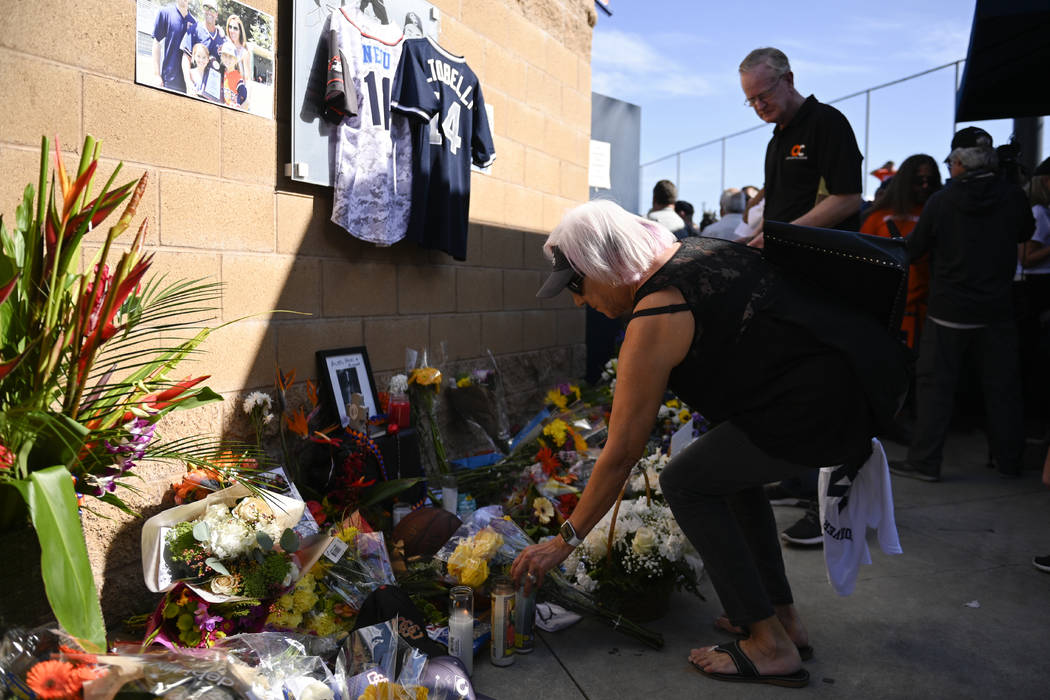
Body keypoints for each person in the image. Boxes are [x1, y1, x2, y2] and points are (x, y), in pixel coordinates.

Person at [513, 200, 907, 687]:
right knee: (723, 472)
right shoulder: (694, 251)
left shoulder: (658, 311)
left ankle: (768, 645)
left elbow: (620, 454)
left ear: (605, 263)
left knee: (686, 481)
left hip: (817, 410)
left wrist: (562, 542)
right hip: (844, 387)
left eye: (577, 285)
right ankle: (782, 620)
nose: (578, 301)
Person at [889, 127, 1035, 482]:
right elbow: (1025, 232)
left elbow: (916, 248)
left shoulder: (943, 200)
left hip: (948, 311)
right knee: (1003, 389)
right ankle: (1010, 460)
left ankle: (925, 462)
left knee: (935, 388)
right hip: (997, 309)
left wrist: (893, 243)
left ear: (957, 163)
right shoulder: (1011, 195)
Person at [739, 47, 863, 248]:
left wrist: (782, 236)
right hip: (782, 261)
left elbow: (848, 198)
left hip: (820, 262)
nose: (759, 106)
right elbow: (777, 207)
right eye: (751, 100)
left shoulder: (826, 122)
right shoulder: (776, 140)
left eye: (765, 95)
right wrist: (754, 237)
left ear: (788, 79)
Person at [860, 154, 943, 349]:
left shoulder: (938, 213)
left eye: (930, 181)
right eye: (918, 180)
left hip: (929, 314)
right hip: (886, 313)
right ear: (905, 181)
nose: (924, 186)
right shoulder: (878, 218)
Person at [151, 0, 196, 93]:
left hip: (187, 85)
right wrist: (157, 75)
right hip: (168, 80)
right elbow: (156, 43)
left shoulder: (194, 23)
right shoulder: (165, 13)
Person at [180, 3, 225, 93]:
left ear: (217, 14)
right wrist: (188, 82)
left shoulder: (222, 37)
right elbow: (186, 58)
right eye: (206, 8)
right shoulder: (195, 29)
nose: (209, 12)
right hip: (196, 86)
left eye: (212, 9)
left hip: (214, 90)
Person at [225, 14, 253, 87]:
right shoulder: (226, 45)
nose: (232, 30)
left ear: (240, 31)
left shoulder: (244, 52)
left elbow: (247, 79)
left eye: (235, 28)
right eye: (230, 27)